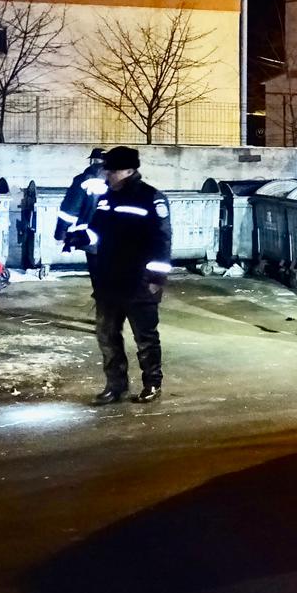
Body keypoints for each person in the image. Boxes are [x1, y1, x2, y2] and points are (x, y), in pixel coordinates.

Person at [66, 146, 172, 405]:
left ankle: (152, 383)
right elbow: (97, 231)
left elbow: (162, 242)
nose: (107, 175)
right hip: (108, 280)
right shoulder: (107, 198)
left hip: (139, 282)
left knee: (145, 338)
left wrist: (156, 280)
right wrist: (80, 237)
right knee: (107, 336)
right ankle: (116, 386)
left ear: (128, 170)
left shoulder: (151, 198)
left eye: (111, 171)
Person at [54, 146, 107, 255]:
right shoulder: (116, 180)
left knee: (96, 262)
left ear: (92, 161)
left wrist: (60, 233)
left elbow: (70, 209)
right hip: (113, 236)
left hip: (89, 236)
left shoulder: (82, 179)